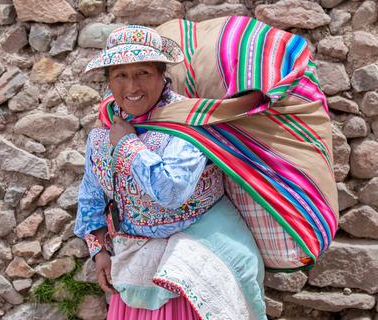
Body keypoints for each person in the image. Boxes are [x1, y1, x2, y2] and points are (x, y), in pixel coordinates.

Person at [75, 25, 267, 319]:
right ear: (109, 81)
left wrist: (127, 144)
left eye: (143, 73)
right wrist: (99, 251)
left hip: (197, 255)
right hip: (136, 262)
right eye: (120, 75)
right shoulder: (102, 133)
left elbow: (172, 191)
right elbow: (91, 198)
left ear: (162, 74)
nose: (132, 87)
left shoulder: (188, 123)